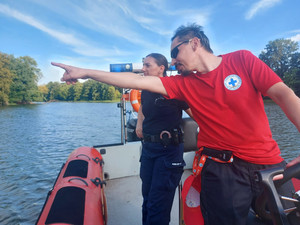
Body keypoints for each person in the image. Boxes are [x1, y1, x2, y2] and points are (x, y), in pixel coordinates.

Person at [52, 23, 300, 225]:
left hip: (269, 163)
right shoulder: (182, 84)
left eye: (174, 53)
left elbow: (284, 95)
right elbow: (135, 80)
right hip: (222, 170)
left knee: (289, 218)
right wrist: (86, 72)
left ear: (194, 43)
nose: (172, 62)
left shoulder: (242, 60)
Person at [135, 53, 192, 225]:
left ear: (162, 68)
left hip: (168, 152)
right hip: (148, 149)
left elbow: (197, 114)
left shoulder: (174, 90)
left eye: (147, 65)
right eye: (143, 65)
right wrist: (139, 124)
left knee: (157, 204)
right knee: (147, 199)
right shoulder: (146, 88)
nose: (143, 69)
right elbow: (143, 106)